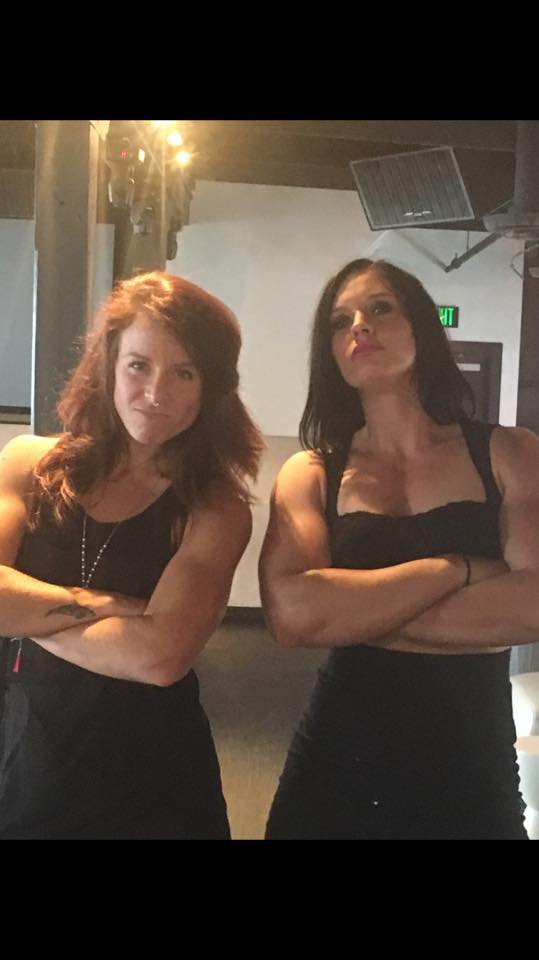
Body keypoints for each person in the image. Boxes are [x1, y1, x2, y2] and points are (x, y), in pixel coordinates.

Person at [260, 257, 538, 840]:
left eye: (380, 308)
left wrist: (353, 614)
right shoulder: (311, 473)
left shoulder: (510, 453)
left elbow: (532, 604)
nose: (359, 326)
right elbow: (293, 615)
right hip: (335, 767)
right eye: (340, 322)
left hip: (473, 768)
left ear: (421, 327)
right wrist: (456, 569)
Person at [0, 271, 262, 839]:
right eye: (139, 365)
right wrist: (100, 605)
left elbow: (159, 658)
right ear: (109, 366)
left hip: (156, 786)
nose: (156, 393)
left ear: (211, 387)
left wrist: (23, 615)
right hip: (32, 762)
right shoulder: (27, 463)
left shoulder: (215, 507)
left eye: (184, 373)